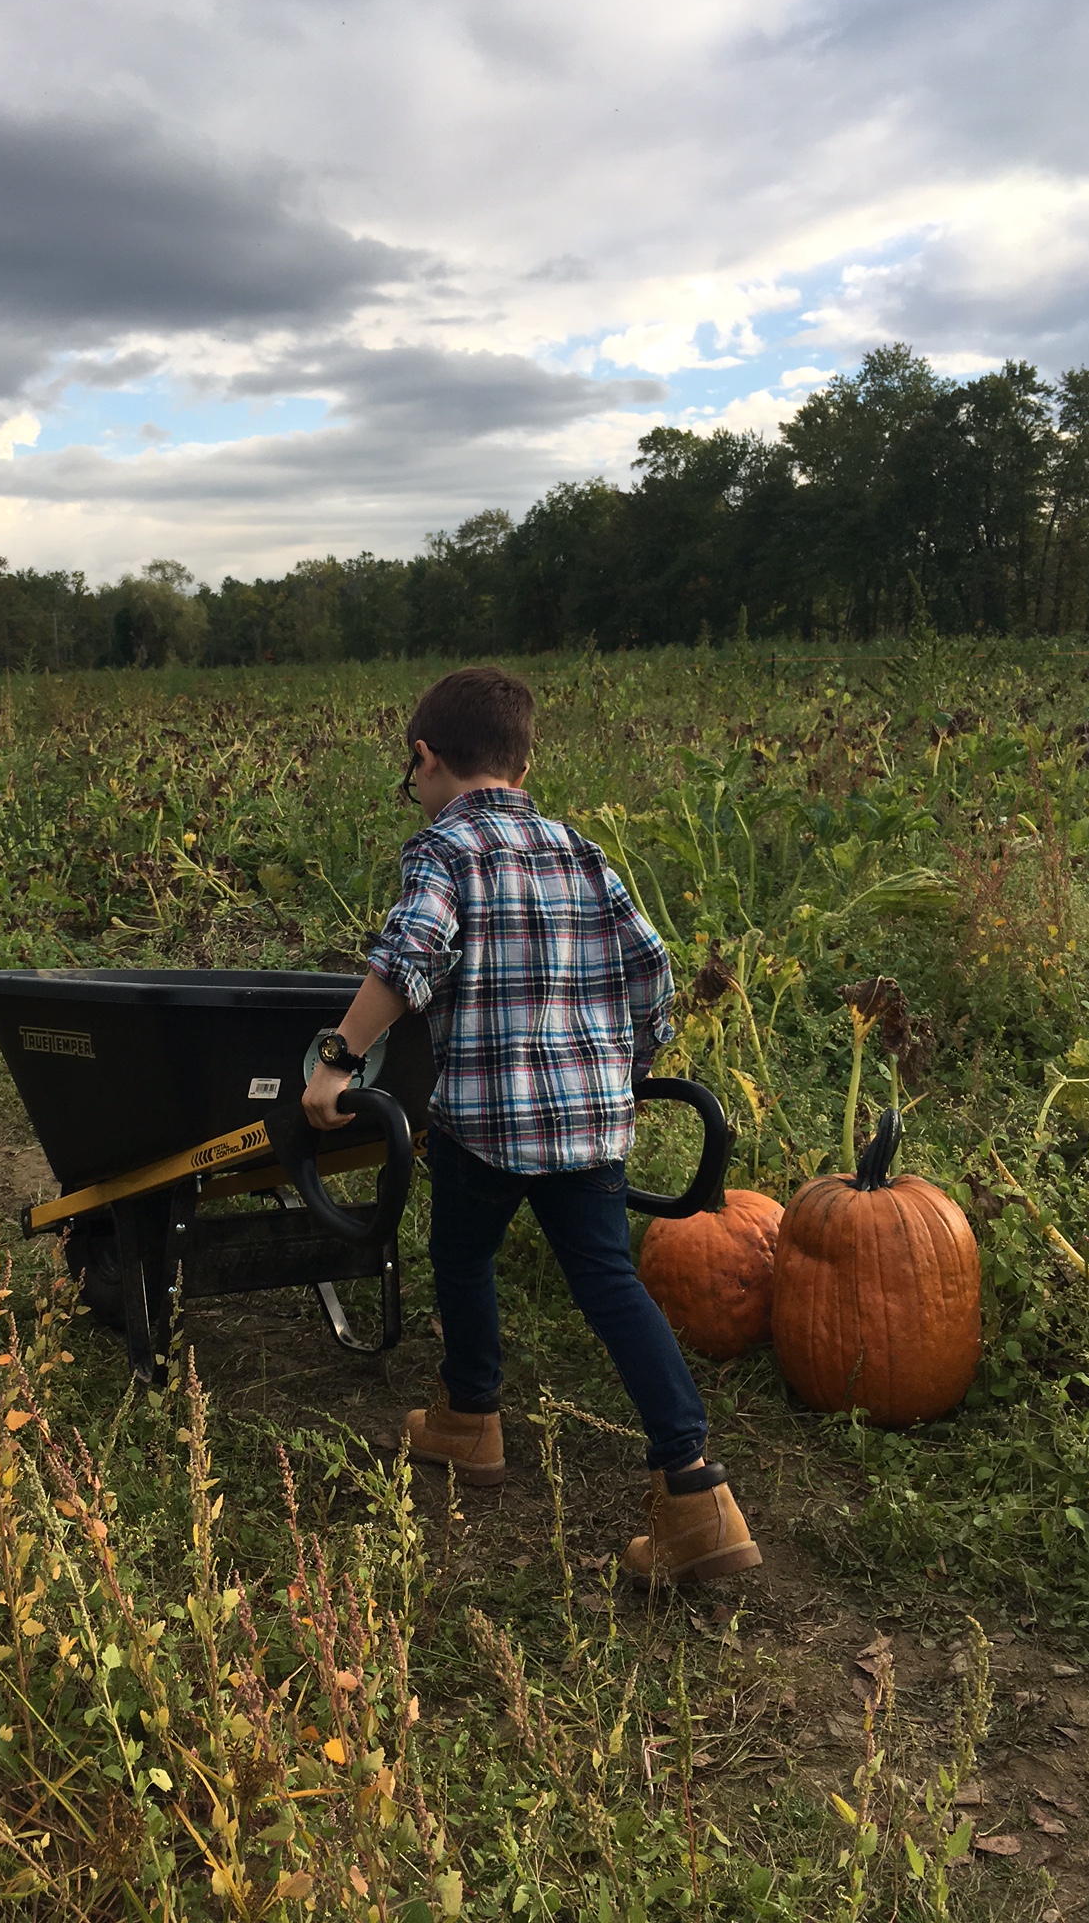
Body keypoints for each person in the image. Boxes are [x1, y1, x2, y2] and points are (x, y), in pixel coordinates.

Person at [302, 666, 760, 1586]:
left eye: (413, 775)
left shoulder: (448, 848)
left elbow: (412, 953)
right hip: (592, 1126)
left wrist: (339, 1060)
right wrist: (619, 1069)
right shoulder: (582, 850)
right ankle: (697, 1492)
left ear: (426, 760)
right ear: (526, 760)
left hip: (488, 1125)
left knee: (462, 1255)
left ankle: (471, 1417)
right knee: (610, 1284)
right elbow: (653, 974)